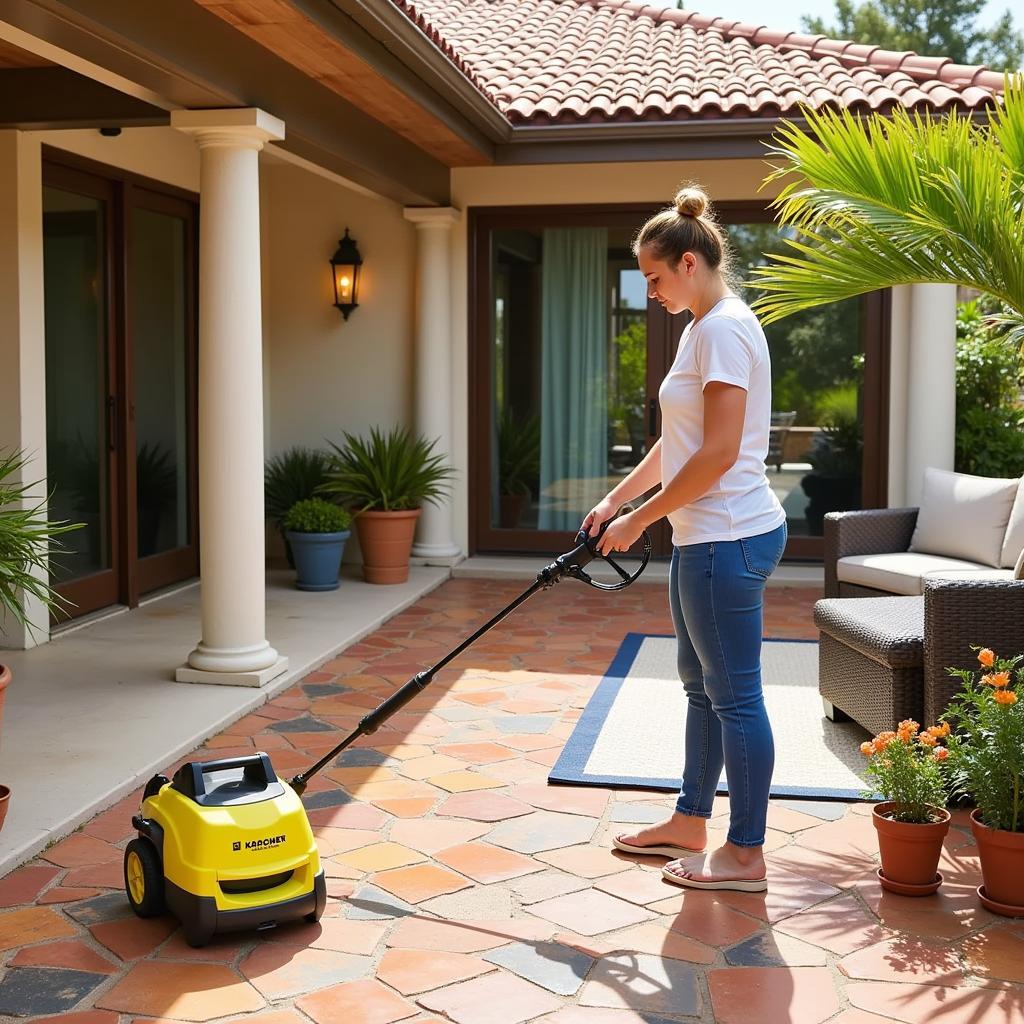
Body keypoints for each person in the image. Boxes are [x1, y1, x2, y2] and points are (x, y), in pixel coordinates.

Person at [582, 185, 787, 893]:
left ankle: (746, 855)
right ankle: (691, 820)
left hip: (725, 538)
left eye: (656, 277)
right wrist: (618, 499)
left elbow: (720, 452)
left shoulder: (725, 327)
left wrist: (642, 521)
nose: (652, 292)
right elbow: (680, 441)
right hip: (703, 538)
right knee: (701, 687)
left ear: (692, 263)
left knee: (735, 698)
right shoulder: (701, 328)